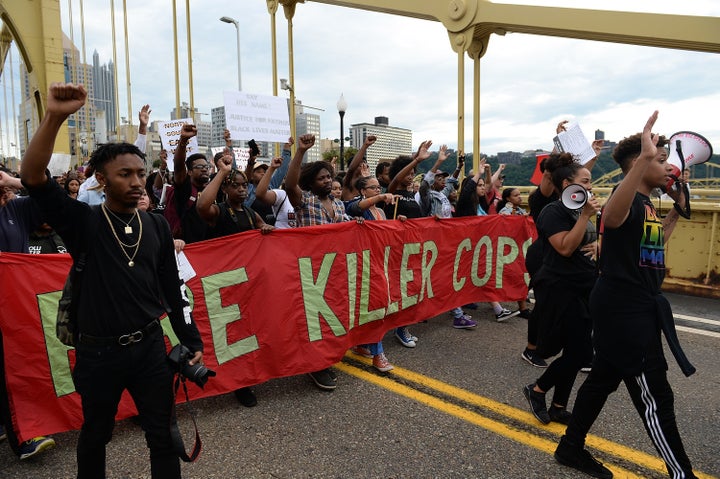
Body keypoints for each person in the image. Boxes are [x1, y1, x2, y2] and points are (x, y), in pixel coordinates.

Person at [21, 83, 204, 479]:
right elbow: (33, 176)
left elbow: (173, 290)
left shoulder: (155, 224)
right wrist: (54, 116)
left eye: (141, 173)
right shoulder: (83, 222)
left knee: (162, 433)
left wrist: (190, 341)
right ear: (101, 181)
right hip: (99, 355)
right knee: (97, 433)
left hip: (151, 348)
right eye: (125, 174)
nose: (137, 181)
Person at [555, 111, 698, 479]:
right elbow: (612, 220)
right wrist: (647, 160)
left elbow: (651, 248)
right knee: (655, 395)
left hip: (633, 304)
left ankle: (570, 448)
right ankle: (681, 473)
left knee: (603, 378)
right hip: (624, 308)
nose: (669, 168)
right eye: (661, 160)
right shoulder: (627, 200)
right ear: (639, 163)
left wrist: (676, 214)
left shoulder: (648, 204)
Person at [522, 157, 599, 427]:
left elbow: (591, 238)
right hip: (561, 287)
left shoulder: (582, 211)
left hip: (583, 286)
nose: (590, 187)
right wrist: (588, 216)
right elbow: (565, 247)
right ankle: (538, 390)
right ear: (567, 184)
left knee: (574, 351)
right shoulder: (553, 212)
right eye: (585, 181)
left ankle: (558, 406)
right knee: (580, 353)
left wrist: (598, 243)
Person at [196, 152, 273, 408]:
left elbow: (269, 231)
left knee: (247, 332)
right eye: (235, 185)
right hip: (224, 285)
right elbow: (201, 206)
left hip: (246, 284)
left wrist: (266, 230)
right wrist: (220, 172)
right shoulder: (219, 212)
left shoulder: (251, 214)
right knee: (229, 336)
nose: (241, 189)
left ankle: (246, 378)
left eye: (244, 185)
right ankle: (237, 382)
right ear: (225, 188)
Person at [285, 134, 353, 391]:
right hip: (310, 271)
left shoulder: (338, 204)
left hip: (334, 270)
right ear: (311, 182)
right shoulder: (305, 202)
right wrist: (300, 151)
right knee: (313, 321)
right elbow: (290, 184)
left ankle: (325, 357)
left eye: (329, 177)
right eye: (322, 178)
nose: (328, 181)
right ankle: (316, 366)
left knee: (330, 318)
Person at [0, 169, 56, 459]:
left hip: (14, 302)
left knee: (18, 365)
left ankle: (26, 433)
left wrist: (16, 183)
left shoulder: (15, 208)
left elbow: (52, 200)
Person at [416, 145, 477, 329]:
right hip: (433, 243)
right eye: (439, 178)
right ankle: (455, 313)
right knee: (439, 277)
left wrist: (459, 167)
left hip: (445, 242)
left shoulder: (441, 194)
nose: (443, 181)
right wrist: (438, 162)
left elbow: (452, 182)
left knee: (440, 277)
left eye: (443, 178)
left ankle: (429, 310)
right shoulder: (427, 196)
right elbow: (424, 184)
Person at [345, 175, 399, 372]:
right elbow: (354, 208)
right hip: (363, 265)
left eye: (379, 188)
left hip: (379, 262)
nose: (378, 191)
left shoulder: (381, 212)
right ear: (362, 191)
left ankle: (362, 343)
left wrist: (399, 222)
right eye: (373, 188)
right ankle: (378, 354)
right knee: (374, 307)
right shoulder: (355, 207)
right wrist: (380, 197)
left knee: (373, 307)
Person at [455, 164, 520, 322]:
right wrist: (478, 174)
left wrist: (490, 172)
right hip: (465, 247)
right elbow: (467, 190)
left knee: (481, 277)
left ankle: (494, 309)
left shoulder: (480, 204)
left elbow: (490, 185)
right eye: (480, 185)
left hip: (478, 247)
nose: (483, 188)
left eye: (484, 185)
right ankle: (459, 311)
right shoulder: (464, 203)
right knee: (463, 279)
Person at [163, 124, 210, 243]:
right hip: (187, 248)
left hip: (209, 247)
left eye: (206, 166)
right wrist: (183, 140)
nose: (204, 169)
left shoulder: (211, 190)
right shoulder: (185, 189)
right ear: (189, 172)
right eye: (199, 167)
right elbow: (178, 166)